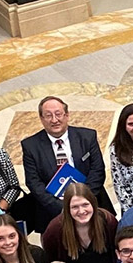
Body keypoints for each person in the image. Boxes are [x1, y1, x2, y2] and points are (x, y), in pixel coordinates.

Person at [21, 95, 113, 228]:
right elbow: (33, 182)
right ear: (41, 118)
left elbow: (97, 170)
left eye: (58, 114)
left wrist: (83, 202)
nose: (54, 120)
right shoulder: (31, 146)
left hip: (92, 205)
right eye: (48, 115)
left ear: (67, 115)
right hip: (52, 212)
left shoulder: (87, 137)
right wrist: (61, 208)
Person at [42, 182, 120, 263]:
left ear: (93, 204)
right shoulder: (54, 230)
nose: (81, 211)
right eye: (75, 207)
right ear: (67, 209)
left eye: (85, 205)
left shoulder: (109, 222)